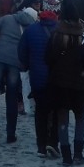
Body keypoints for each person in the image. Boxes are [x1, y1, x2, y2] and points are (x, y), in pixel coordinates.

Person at [0, 0, 39, 143]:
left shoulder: (7, 19)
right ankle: (11, 134)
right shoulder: (32, 28)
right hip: (15, 62)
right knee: (12, 98)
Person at [46, 7, 84, 166]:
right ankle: (78, 153)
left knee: (62, 117)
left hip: (60, 82)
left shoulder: (56, 35)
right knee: (80, 117)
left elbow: (48, 58)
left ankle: (66, 155)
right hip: (81, 83)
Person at [18, 9, 59, 159]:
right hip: (56, 79)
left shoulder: (30, 30)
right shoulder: (59, 30)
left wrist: (29, 65)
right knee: (55, 112)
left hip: (37, 77)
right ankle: (53, 143)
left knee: (40, 112)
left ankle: (41, 146)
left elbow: (21, 51)